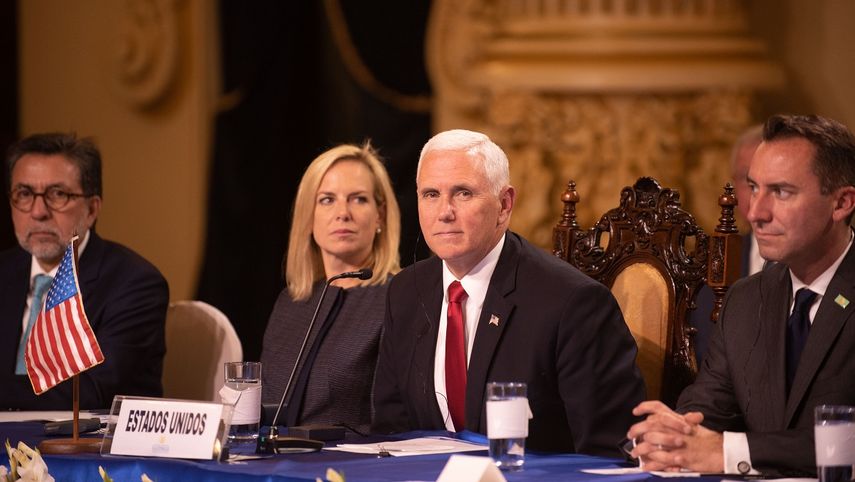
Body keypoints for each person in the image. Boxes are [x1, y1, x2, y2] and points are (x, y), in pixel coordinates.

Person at [372, 129, 645, 456]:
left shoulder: (572, 302)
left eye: (463, 193)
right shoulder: (405, 291)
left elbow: (610, 451)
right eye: (431, 194)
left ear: (504, 205)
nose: (444, 212)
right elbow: (392, 430)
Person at [628, 114, 855, 476]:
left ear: (841, 203)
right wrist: (673, 435)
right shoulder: (747, 298)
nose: (755, 212)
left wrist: (729, 450)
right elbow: (709, 408)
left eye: (781, 192)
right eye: (753, 187)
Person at [0, 132, 169, 409]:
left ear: (92, 209)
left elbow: (91, 391)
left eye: (58, 194)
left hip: (89, 447)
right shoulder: (4, 272)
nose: (39, 211)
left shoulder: (135, 284)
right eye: (24, 194)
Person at [260, 143, 400, 434]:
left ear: (380, 216)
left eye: (359, 199)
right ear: (308, 216)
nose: (342, 213)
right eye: (326, 200)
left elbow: (394, 419)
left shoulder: (397, 297)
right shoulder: (291, 302)